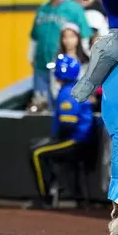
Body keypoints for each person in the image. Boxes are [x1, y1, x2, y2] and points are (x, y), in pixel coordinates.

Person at [28, 54, 94, 209]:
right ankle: (53, 189)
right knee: (36, 146)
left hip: (76, 141)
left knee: (36, 153)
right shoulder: (75, 88)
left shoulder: (67, 92)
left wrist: (55, 140)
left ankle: (46, 198)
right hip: (80, 139)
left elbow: (67, 125)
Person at [29, 0, 92, 105]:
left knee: (64, 106)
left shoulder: (75, 9)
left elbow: (85, 38)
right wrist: (30, 56)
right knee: (42, 107)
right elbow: (34, 37)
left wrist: (84, 64)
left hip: (65, 70)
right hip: (41, 67)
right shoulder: (42, 9)